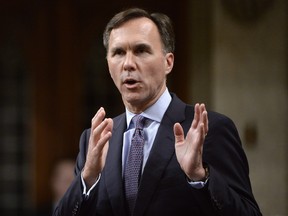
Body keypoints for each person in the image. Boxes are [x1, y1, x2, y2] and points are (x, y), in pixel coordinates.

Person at [53, 7, 262, 216]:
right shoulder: (94, 140)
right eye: (118, 53)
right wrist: (87, 177)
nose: (128, 64)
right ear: (108, 65)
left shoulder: (210, 130)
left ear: (168, 62)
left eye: (141, 50)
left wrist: (200, 177)